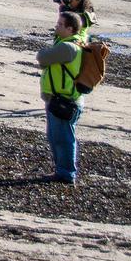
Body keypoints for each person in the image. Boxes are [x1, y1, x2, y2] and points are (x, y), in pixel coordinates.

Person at [38, 11, 88, 184]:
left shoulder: (68, 47)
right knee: (56, 136)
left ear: (70, 28)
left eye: (60, 24)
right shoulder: (73, 43)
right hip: (62, 99)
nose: (56, 26)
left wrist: (47, 53)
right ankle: (61, 170)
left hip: (64, 100)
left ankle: (66, 173)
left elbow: (42, 57)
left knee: (63, 137)